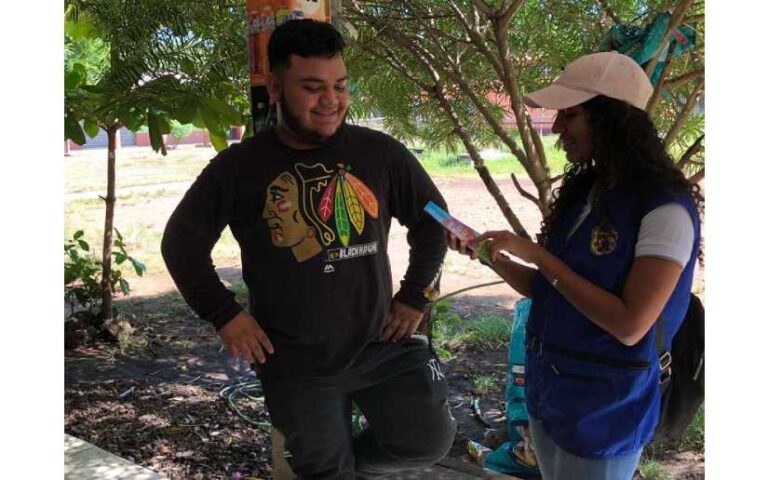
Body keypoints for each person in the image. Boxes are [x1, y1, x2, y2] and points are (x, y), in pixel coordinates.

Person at [161, 18, 456, 479]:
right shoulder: (239, 167)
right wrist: (224, 314)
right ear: (276, 88)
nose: (331, 101)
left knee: (428, 441)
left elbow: (435, 220)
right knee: (324, 471)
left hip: (380, 342)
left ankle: (346, 468)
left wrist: (416, 294)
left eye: (340, 86)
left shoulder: (380, 153)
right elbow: (181, 244)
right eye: (313, 87)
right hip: (295, 364)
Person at [448, 51, 702, 480]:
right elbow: (548, 288)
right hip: (554, 393)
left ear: (612, 118)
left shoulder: (665, 210)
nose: (559, 127)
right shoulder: (587, 193)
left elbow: (630, 324)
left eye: (571, 115)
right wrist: (492, 257)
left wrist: (539, 255)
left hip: (607, 410)